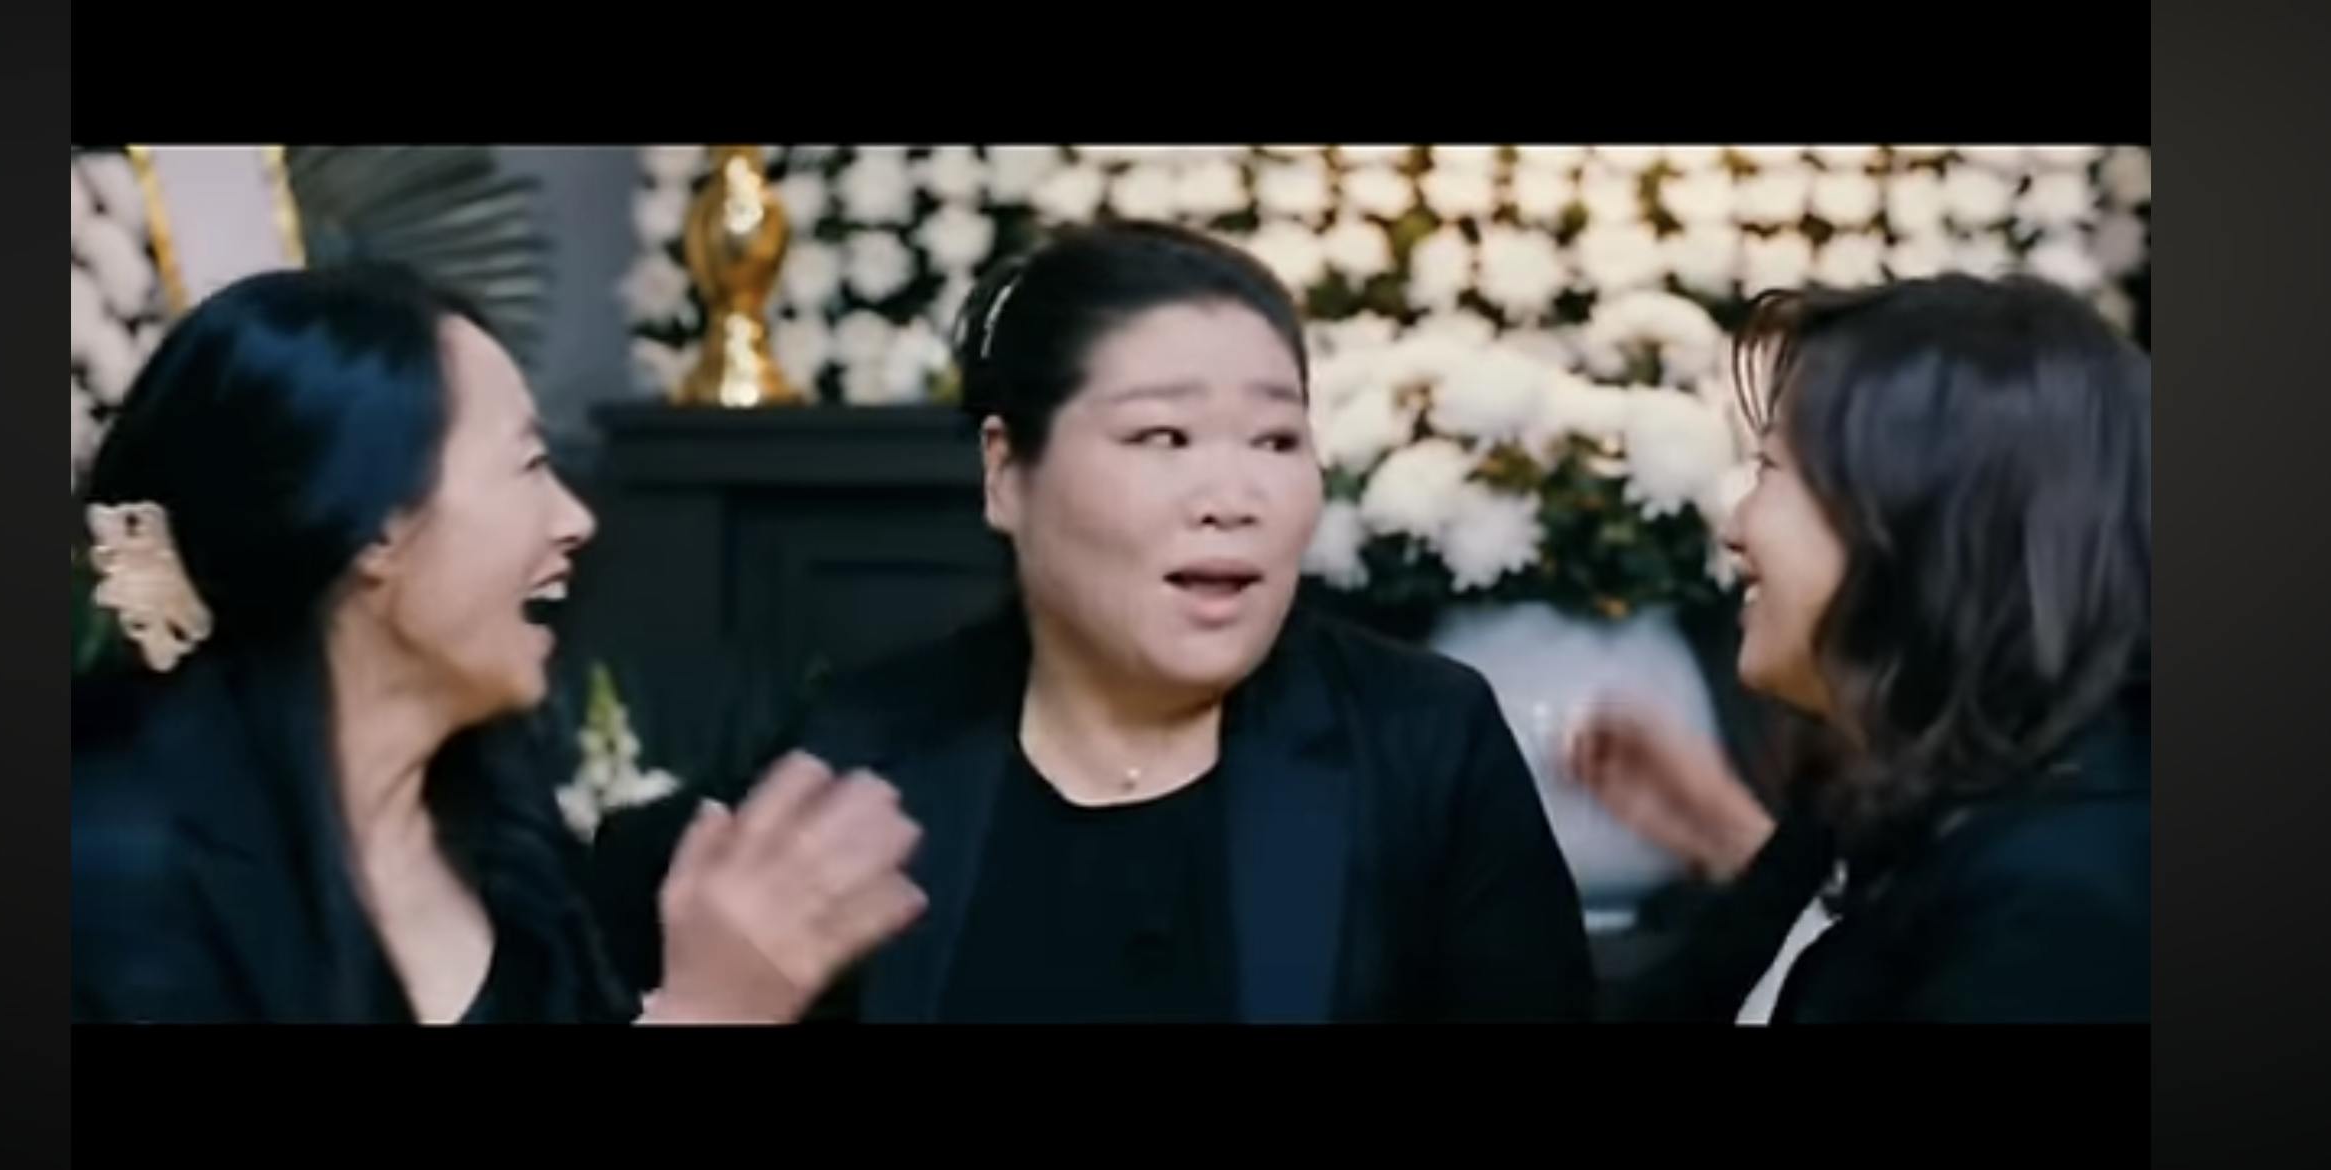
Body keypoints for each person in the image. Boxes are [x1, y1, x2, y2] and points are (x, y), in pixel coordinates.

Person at [594, 221, 1595, 1022]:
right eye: (1163, 435)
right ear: (1006, 473)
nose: (1233, 496)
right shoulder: (866, 752)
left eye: (1275, 438)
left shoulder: (1421, 742)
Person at [70, 264, 925, 1024]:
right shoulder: (111, 876)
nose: (575, 520)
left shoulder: (500, 826)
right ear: (375, 527)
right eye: (529, 465)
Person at [1565, 274, 2149, 1023]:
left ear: (1912, 518)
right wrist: (1731, 838)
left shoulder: (2063, 908)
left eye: (1769, 470)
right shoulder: (1870, 789)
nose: (1734, 527)